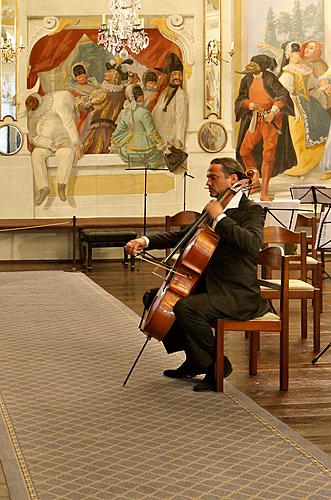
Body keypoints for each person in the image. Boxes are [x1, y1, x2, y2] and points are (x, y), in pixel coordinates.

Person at [124, 157, 270, 392]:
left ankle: (217, 366)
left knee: (187, 308)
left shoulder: (251, 211)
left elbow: (252, 244)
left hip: (237, 293)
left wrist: (221, 218)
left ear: (233, 179)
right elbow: (182, 236)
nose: (208, 182)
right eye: (208, 177)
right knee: (155, 299)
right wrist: (145, 240)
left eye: (214, 177)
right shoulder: (212, 208)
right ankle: (195, 359)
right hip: (210, 286)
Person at [234, 54, 296, 201]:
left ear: (261, 66)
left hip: (271, 121)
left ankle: (264, 192)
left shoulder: (270, 78)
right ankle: (254, 183)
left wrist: (273, 112)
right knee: (244, 151)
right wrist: (250, 104)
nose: (249, 66)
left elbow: (282, 96)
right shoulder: (246, 79)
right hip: (255, 119)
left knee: (268, 156)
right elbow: (241, 99)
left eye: (253, 64)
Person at [278, 41, 330, 177]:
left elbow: (312, 86)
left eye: (298, 52)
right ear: (289, 55)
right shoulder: (288, 71)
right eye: (295, 53)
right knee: (299, 131)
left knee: (324, 123)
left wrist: (321, 89)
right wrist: (294, 106)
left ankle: (319, 162)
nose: (298, 55)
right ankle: (300, 165)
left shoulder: (305, 68)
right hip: (295, 103)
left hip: (309, 102)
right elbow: (285, 92)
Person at [25, 90, 82, 204]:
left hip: (63, 140)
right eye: (28, 103)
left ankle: (61, 185)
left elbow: (69, 123)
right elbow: (33, 137)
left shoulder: (57, 103)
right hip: (46, 144)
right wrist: (49, 144)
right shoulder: (31, 115)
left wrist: (75, 144)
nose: (31, 105)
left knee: (66, 154)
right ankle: (43, 188)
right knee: (36, 154)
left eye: (32, 101)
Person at [81, 57, 132, 155]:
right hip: (113, 131)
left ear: (115, 76)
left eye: (109, 72)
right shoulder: (123, 92)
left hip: (98, 130)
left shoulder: (103, 93)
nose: (105, 73)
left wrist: (81, 102)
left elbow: (87, 107)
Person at [111, 84, 166, 169]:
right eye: (140, 93)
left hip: (128, 152)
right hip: (147, 150)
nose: (142, 94)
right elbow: (151, 132)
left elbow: (119, 131)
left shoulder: (125, 113)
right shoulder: (144, 112)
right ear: (138, 96)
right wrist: (161, 143)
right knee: (157, 155)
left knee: (123, 151)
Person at [151, 53, 189, 153]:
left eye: (180, 74)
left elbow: (181, 119)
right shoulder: (163, 92)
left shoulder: (181, 96)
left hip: (170, 142)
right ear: (169, 76)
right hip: (158, 140)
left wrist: (178, 141)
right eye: (175, 74)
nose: (178, 77)